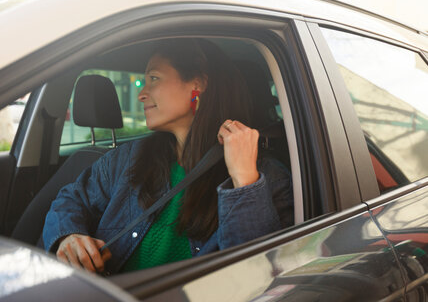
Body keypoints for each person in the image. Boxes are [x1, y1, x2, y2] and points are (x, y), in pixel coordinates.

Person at [42, 38, 293, 275]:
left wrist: (244, 180)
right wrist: (68, 236)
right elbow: (72, 197)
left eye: (154, 78)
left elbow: (256, 276)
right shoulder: (128, 158)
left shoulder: (268, 176)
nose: (142, 93)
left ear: (197, 84)